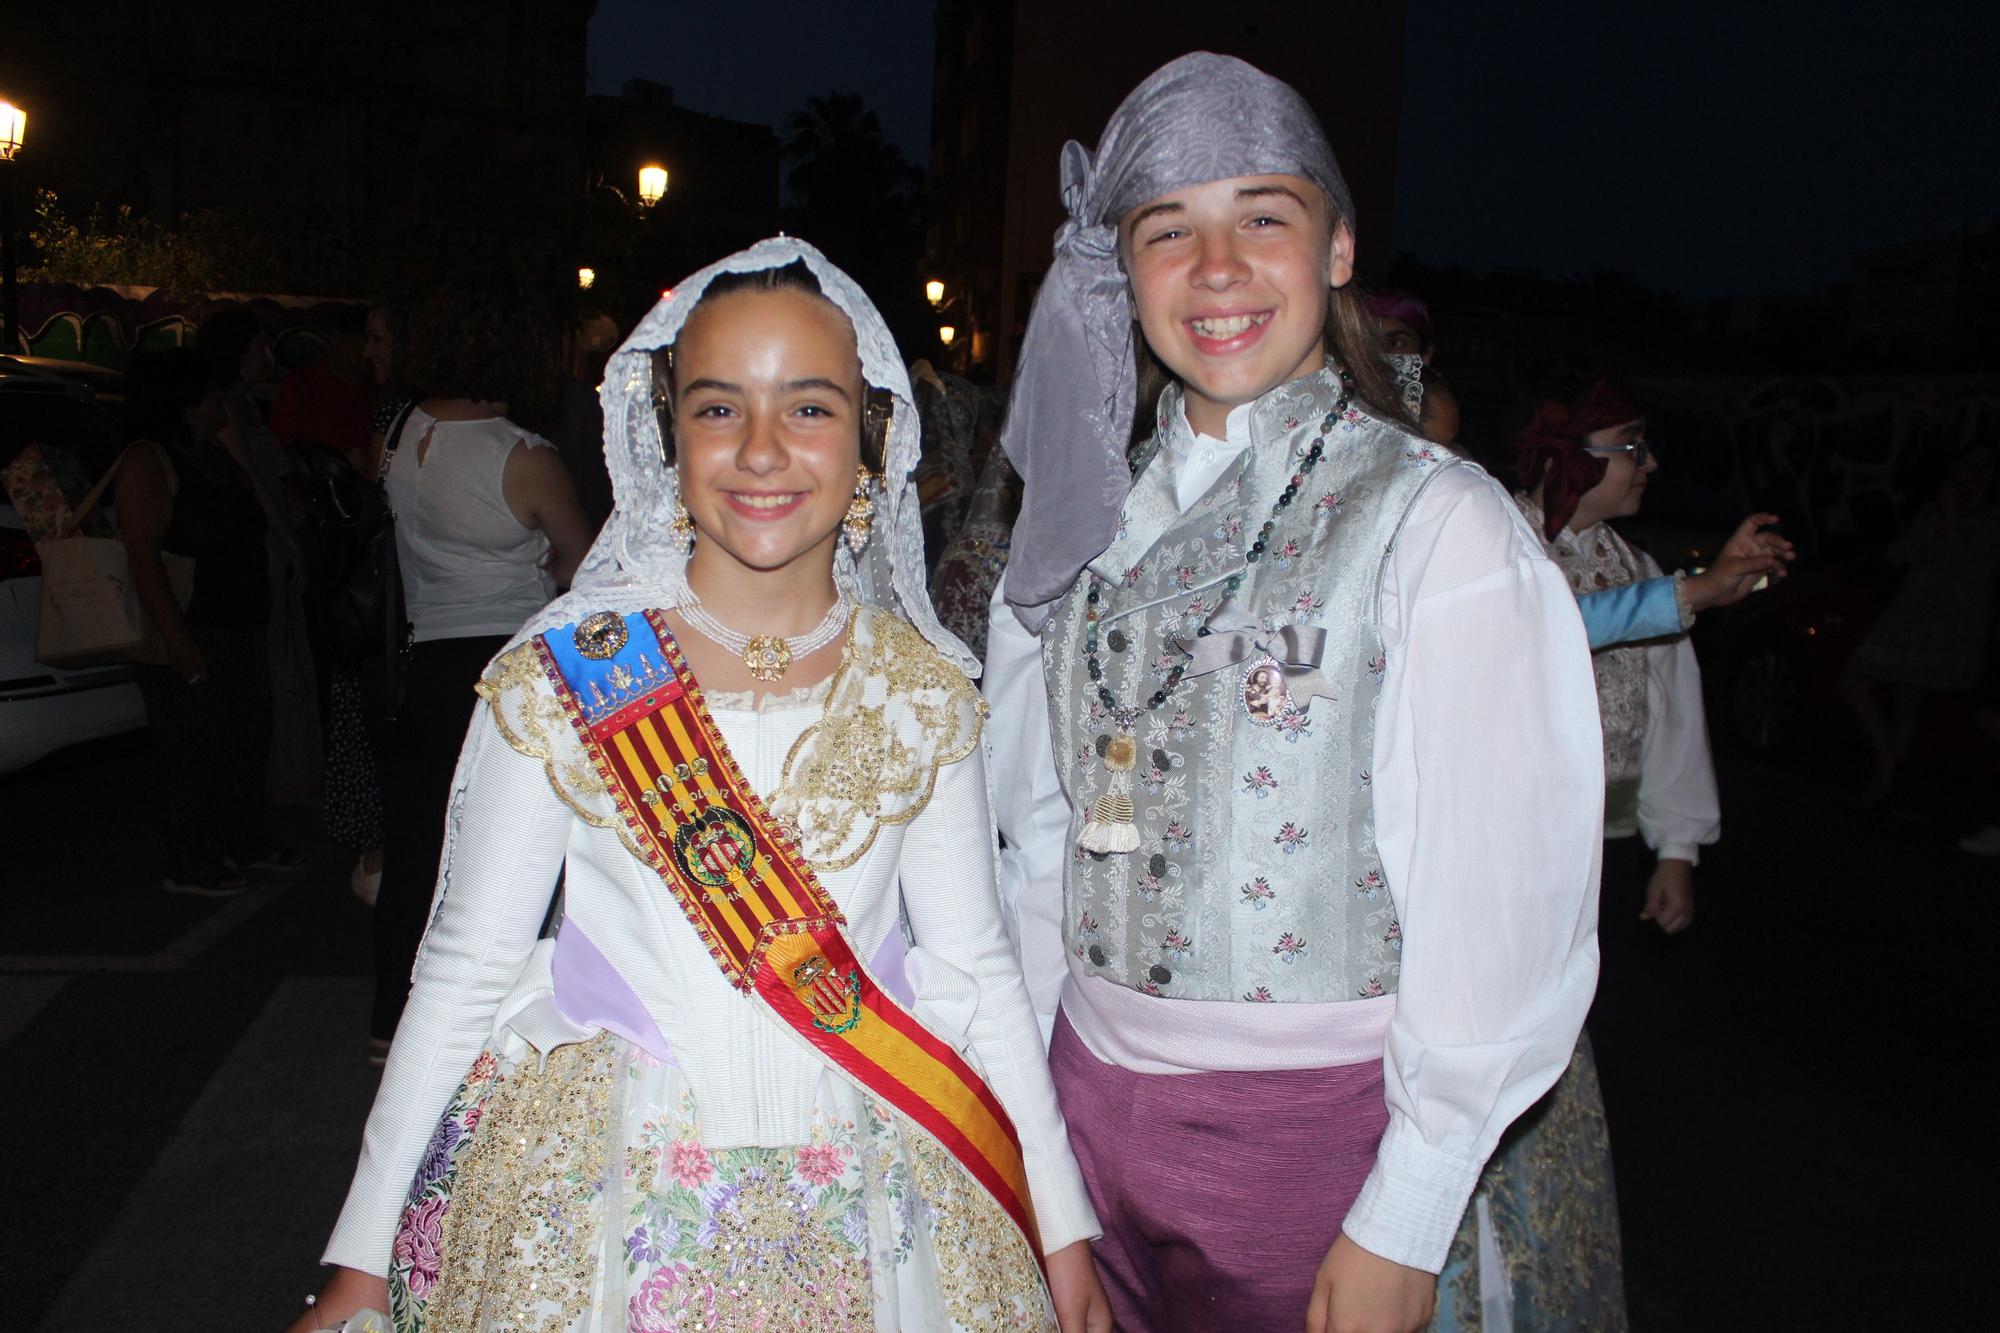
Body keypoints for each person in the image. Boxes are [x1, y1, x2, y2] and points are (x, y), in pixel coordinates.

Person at [293, 239, 1109, 1333]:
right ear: (665, 437)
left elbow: (981, 971)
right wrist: (359, 1251)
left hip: (880, 1187)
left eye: (809, 409)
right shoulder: (564, 680)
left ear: (870, 447)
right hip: (602, 1204)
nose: (762, 449)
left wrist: (1060, 1233)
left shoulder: (921, 691)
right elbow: (463, 965)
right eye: (719, 409)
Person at [984, 53, 1603, 1333]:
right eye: (1168, 230)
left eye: (1260, 215)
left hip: (1310, 1135)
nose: (1215, 268)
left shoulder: (1440, 528)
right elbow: (1032, 843)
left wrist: (1406, 1208)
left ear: (1335, 250)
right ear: (1120, 271)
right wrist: (1040, 1149)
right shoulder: (1070, 533)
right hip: (1080, 1103)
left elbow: (1498, 887)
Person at [364, 270, 595, 1067]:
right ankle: (495, 1031)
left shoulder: (396, 438)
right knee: (505, 857)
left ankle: (391, 1021)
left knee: (419, 846)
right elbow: (585, 568)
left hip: (422, 661)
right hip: (504, 667)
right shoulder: (523, 457)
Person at [1512, 378, 1721, 1069]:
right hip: (1511, 845)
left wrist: (1675, 851)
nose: (1649, 464)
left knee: (1588, 1023)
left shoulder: (1638, 567)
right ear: (1571, 458)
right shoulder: (1503, 547)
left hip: (1609, 845)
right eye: (1633, 447)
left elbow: (1672, 715)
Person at [113, 348, 278, 896]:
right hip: (195, 626)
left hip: (238, 622)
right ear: (185, 403)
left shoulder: (209, 454)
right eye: (210, 392)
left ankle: (241, 841)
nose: (221, 401)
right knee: (192, 751)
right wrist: (177, 640)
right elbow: (143, 554)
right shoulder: (149, 460)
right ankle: (190, 860)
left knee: (242, 739)